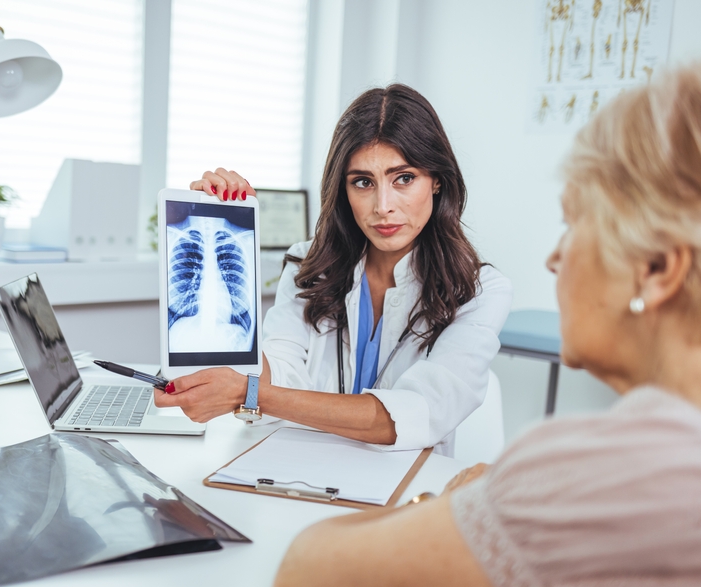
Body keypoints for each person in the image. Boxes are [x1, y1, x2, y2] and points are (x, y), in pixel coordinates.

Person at [272, 59, 701, 587]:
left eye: (574, 223)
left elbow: (308, 580)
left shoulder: (605, 482)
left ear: (658, 269)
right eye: (363, 182)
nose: (555, 258)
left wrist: (463, 512)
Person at [155, 85, 512, 454]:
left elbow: (417, 414)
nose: (383, 206)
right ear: (343, 190)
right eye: (363, 182)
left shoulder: (480, 291)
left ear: (437, 179)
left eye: (404, 178)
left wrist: (252, 393)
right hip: (301, 467)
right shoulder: (310, 265)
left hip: (408, 480)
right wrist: (232, 242)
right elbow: (280, 370)